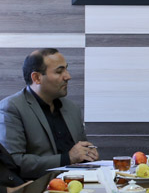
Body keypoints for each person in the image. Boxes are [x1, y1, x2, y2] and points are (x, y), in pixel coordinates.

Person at [0, 49, 98, 180]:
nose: (68, 76)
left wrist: (88, 154)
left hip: (78, 185)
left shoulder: (72, 108)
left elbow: (81, 152)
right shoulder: (12, 107)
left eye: (66, 69)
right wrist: (67, 158)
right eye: (59, 71)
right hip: (36, 188)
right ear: (37, 78)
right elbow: (14, 162)